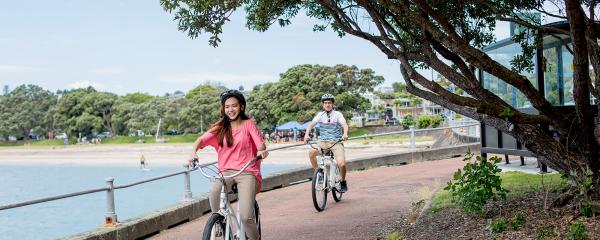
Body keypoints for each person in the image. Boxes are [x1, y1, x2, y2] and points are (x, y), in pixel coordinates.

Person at [189, 89, 268, 240]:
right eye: (227, 106)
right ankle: (221, 223)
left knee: (246, 217)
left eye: (234, 106)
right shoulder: (220, 128)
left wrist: (261, 151)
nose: (230, 109)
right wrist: (193, 151)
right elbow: (200, 140)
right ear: (223, 108)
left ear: (241, 107)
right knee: (214, 194)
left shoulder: (248, 124)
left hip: (247, 172)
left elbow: (260, 145)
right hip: (225, 172)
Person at [304, 93, 349, 192]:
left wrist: (345, 134)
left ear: (332, 104)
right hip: (323, 143)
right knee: (311, 153)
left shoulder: (338, 114)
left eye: (329, 103)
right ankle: (320, 174)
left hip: (336, 142)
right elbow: (310, 125)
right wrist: (306, 135)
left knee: (342, 164)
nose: (327, 104)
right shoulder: (320, 115)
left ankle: (343, 181)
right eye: (325, 103)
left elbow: (344, 124)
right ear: (323, 105)